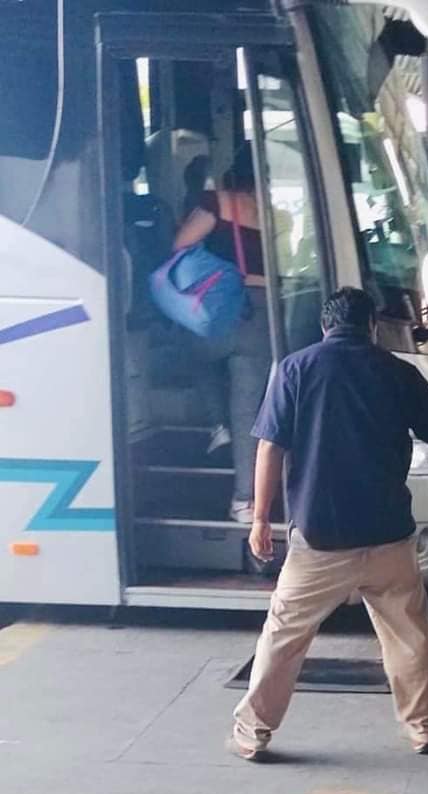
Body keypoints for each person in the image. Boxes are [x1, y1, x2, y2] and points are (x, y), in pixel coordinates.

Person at [228, 287, 428, 761]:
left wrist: (259, 519)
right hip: (388, 536)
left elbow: (269, 447)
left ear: (325, 326)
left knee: (284, 635)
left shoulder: (296, 369)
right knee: (409, 636)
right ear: (372, 328)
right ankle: (424, 728)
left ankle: (253, 732)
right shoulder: (397, 372)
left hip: (321, 537)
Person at [173, 148, 271, 523]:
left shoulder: (216, 202)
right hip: (261, 312)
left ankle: (217, 424)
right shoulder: (271, 212)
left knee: (189, 351)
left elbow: (180, 244)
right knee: (247, 410)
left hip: (223, 308)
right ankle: (244, 500)